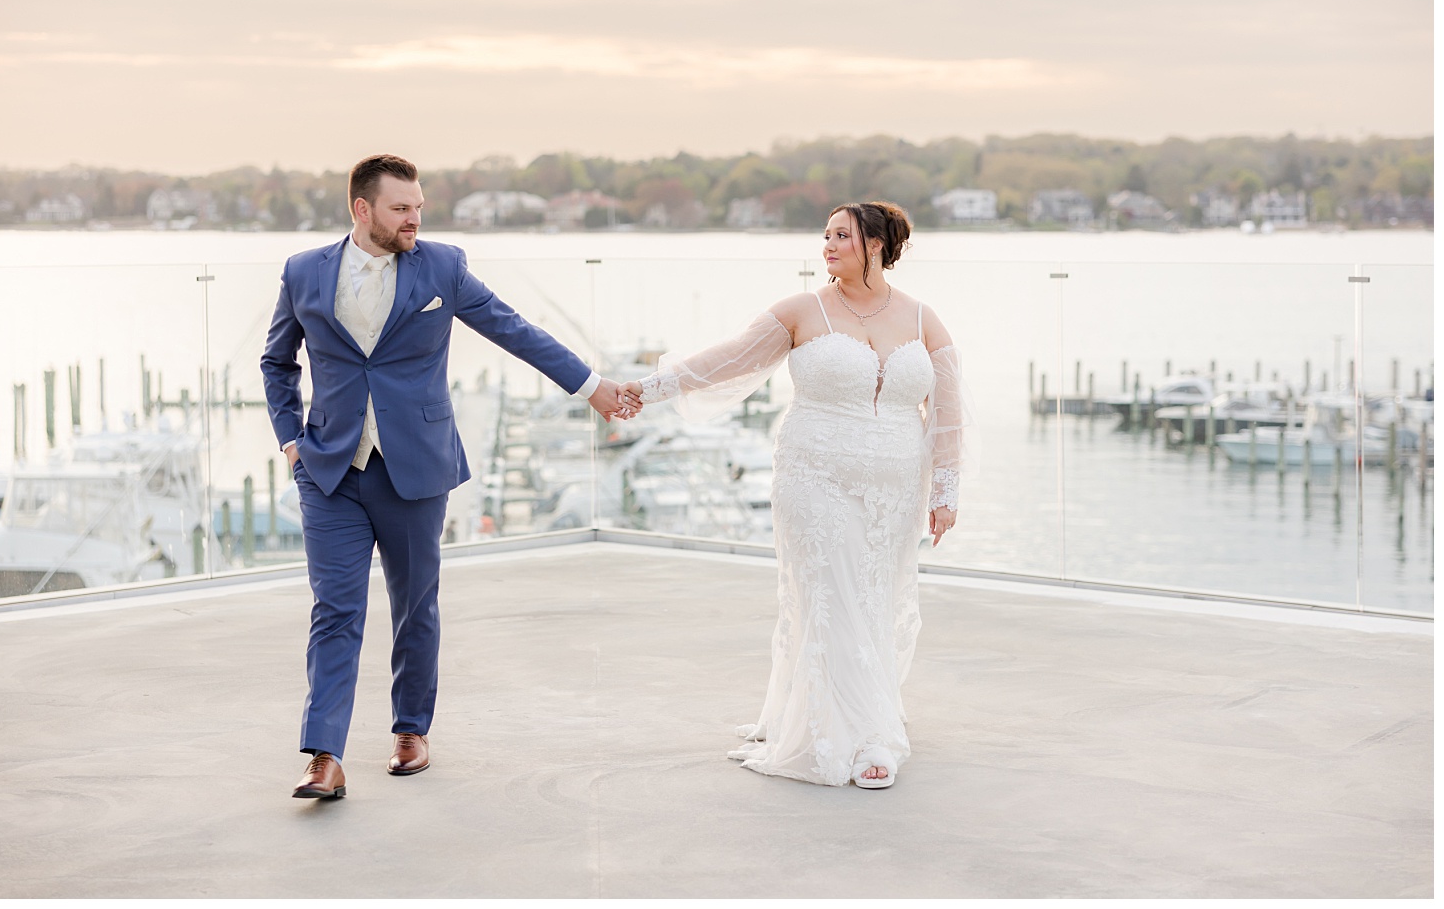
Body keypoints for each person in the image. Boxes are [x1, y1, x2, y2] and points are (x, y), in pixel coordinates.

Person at [261, 154, 640, 800]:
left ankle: (411, 729)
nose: (415, 218)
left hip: (416, 467)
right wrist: (292, 441)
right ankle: (324, 754)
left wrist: (593, 387)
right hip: (331, 473)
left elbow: (514, 330)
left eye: (418, 206)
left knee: (415, 608)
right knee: (335, 610)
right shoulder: (303, 272)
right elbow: (278, 361)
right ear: (362, 210)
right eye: (401, 208)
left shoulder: (443, 266)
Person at [622, 201, 970, 789]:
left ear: (878, 246)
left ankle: (859, 706)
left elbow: (948, 410)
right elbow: (726, 359)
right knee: (832, 597)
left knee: (875, 601)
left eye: (843, 236)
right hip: (816, 477)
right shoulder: (801, 310)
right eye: (826, 235)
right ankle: (861, 738)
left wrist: (945, 490)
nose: (828, 246)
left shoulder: (921, 319)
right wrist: (645, 388)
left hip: (893, 489)